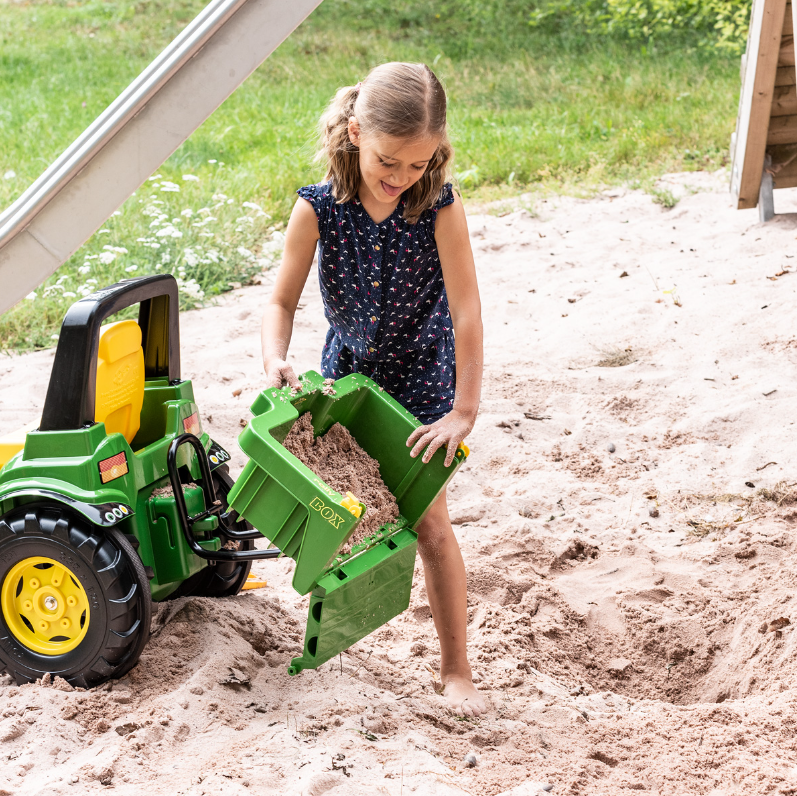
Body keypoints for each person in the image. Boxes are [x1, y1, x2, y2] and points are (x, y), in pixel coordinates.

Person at [261, 62, 485, 717]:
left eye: (419, 164)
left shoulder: (438, 206)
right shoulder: (318, 207)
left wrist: (463, 410)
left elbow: (467, 310)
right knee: (346, 518)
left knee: (429, 524)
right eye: (390, 161)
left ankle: (455, 671)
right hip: (349, 377)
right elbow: (279, 300)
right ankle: (334, 651)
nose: (401, 178)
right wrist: (275, 358)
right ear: (356, 132)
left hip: (421, 377)